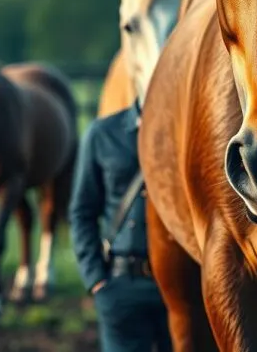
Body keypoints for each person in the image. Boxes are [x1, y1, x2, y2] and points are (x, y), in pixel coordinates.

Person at [70, 100, 171, 352]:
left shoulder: (190, 132)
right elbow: (82, 211)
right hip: (121, 282)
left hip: (182, 285)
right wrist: (95, 279)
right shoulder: (102, 134)